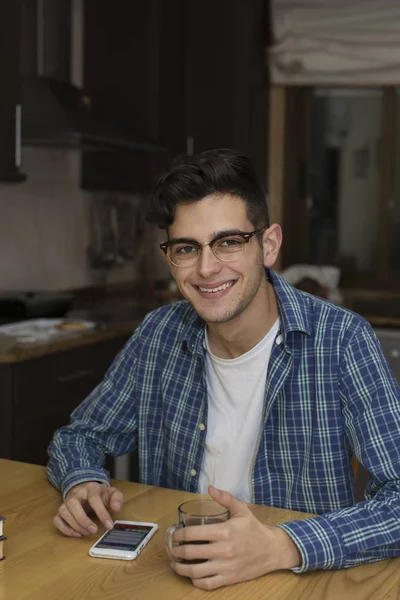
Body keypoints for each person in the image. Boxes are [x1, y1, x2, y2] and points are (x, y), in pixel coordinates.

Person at [47, 149, 400, 590]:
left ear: (268, 245)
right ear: (170, 257)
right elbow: (81, 435)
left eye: (229, 242)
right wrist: (83, 482)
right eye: (186, 248)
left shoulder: (343, 340)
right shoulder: (158, 334)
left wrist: (281, 545)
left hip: (297, 581)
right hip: (175, 575)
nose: (207, 268)